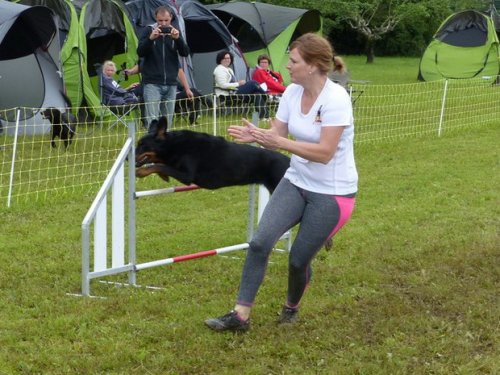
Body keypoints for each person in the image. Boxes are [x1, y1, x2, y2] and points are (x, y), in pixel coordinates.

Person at [205, 33, 358, 332]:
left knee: (298, 259)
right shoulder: (290, 93)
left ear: (313, 65)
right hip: (297, 180)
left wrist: (280, 142)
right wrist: (259, 135)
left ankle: (291, 307)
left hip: (333, 192)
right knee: (260, 242)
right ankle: (240, 316)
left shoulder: (336, 99)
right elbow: (277, 134)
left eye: (293, 60)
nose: (286, 65)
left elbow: (325, 153)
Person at [137, 5, 190, 130]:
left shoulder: (175, 32)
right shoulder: (148, 30)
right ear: (156, 18)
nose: (163, 23)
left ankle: (165, 148)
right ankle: (151, 147)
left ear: (171, 17)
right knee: (152, 121)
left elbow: (185, 53)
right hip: (152, 84)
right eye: (160, 21)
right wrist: (150, 39)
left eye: (166, 20)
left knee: (167, 122)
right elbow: (140, 52)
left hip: (171, 84)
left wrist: (178, 40)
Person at [213, 50, 269, 119]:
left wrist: (239, 84)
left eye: (229, 58)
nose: (227, 60)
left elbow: (231, 84)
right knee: (253, 83)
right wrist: (238, 83)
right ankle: (267, 96)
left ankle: (264, 117)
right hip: (227, 96)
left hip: (234, 92)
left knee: (257, 94)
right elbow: (222, 85)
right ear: (220, 59)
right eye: (225, 58)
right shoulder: (219, 69)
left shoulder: (229, 69)